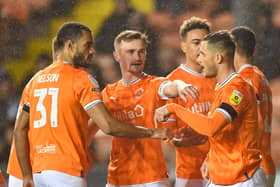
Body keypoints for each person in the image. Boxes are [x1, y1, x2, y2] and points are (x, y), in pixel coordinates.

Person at [14, 22, 172, 187]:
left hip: (38, 171)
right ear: (70, 46)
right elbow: (109, 126)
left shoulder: (35, 80)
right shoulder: (81, 79)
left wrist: (26, 174)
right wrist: (151, 132)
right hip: (66, 171)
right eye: (87, 45)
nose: (92, 51)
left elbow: (19, 130)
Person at [155, 31, 267, 186]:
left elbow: (212, 126)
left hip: (243, 178)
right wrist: (211, 158)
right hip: (222, 176)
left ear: (218, 58)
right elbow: (224, 132)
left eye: (202, 54)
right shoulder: (221, 87)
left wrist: (174, 108)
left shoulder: (238, 89)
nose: (198, 60)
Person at [101, 30, 197, 187]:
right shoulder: (109, 93)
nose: (137, 57)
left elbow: (171, 86)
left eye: (141, 52)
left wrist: (181, 86)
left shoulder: (154, 84)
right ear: (117, 56)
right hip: (117, 178)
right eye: (130, 52)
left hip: (151, 178)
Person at [166, 17, 216, 187]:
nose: (202, 48)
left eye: (206, 42)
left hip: (221, 169)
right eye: (196, 42)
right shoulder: (172, 83)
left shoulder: (220, 78)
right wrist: (184, 140)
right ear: (183, 46)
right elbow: (166, 135)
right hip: (190, 172)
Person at [231, 26, 275, 187]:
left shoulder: (245, 81)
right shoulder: (261, 77)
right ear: (253, 49)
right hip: (266, 162)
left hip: (251, 167)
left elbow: (256, 120)